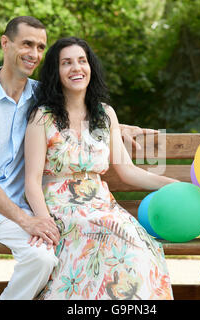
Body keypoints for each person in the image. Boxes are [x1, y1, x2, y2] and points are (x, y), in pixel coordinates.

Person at [0, 16, 153, 300]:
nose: (34, 54)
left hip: (14, 210)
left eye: (40, 47)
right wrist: (27, 220)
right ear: (5, 43)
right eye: (27, 44)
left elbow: (78, 111)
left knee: (43, 260)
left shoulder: (40, 98)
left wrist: (120, 128)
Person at [25, 36, 178, 300]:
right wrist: (44, 221)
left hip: (102, 205)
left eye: (82, 61)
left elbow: (128, 171)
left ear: (90, 68)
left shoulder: (105, 114)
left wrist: (175, 186)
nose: (76, 68)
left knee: (138, 242)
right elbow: (32, 181)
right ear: (55, 72)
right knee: (100, 233)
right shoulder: (43, 117)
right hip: (61, 208)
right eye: (67, 63)